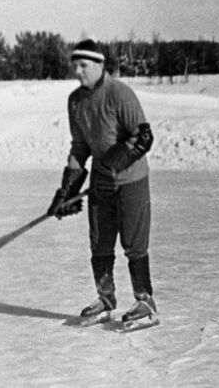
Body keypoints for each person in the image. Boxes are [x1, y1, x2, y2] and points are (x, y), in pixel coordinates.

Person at [47, 39, 158, 330]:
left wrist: (125, 155)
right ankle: (106, 299)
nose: (78, 71)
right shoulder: (75, 101)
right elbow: (80, 146)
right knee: (100, 243)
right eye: (74, 66)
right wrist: (68, 188)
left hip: (131, 180)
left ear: (99, 65)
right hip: (100, 183)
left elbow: (144, 136)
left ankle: (145, 302)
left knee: (134, 243)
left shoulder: (120, 93)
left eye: (84, 65)